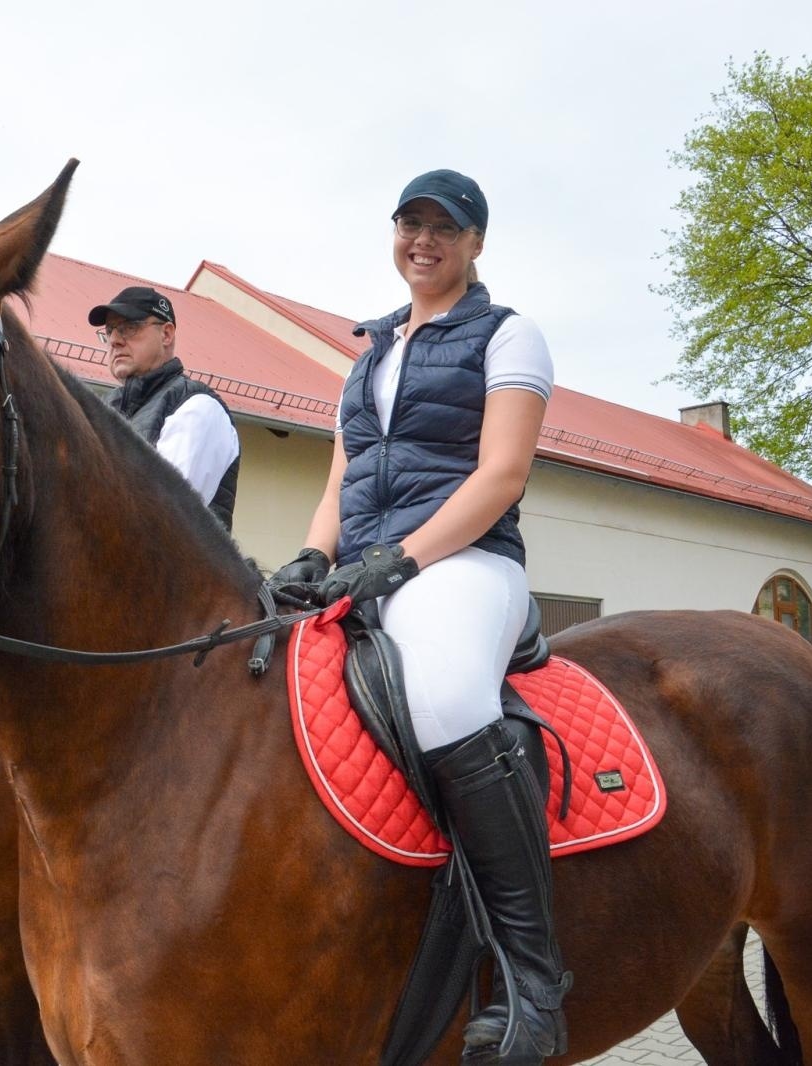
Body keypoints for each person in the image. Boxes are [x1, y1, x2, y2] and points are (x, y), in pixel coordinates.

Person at [271, 170, 567, 1062]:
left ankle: (534, 980)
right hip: (363, 567)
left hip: (466, 563)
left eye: (445, 227)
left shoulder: (510, 334)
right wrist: (311, 559)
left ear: (476, 243)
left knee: (441, 696)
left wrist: (403, 558)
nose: (423, 240)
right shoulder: (367, 355)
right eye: (410, 224)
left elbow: (500, 476)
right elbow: (341, 481)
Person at [89, 286, 240, 528]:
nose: (115, 340)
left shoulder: (198, 408)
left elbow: (162, 515)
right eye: (109, 332)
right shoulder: (103, 412)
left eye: (129, 327)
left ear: (166, 334)